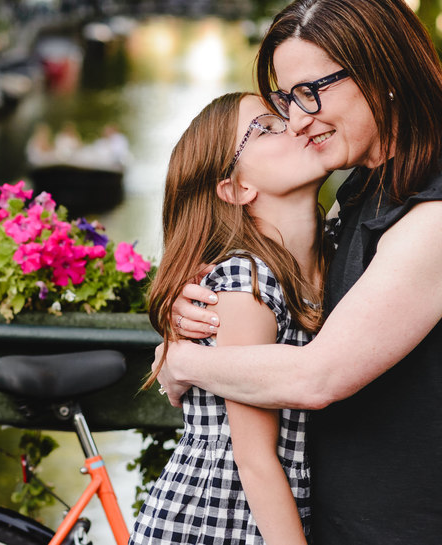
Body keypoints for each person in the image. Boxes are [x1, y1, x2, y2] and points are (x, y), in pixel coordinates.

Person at [158, 0, 442, 544]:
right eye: (287, 101)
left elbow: (319, 375)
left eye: (310, 92)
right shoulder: (361, 193)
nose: (298, 119)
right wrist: (188, 319)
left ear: (381, 77)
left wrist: (183, 364)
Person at [131, 92, 326, 545]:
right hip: (223, 518)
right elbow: (255, 459)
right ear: (237, 189)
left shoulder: (332, 257)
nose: (295, 125)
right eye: (267, 128)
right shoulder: (248, 280)